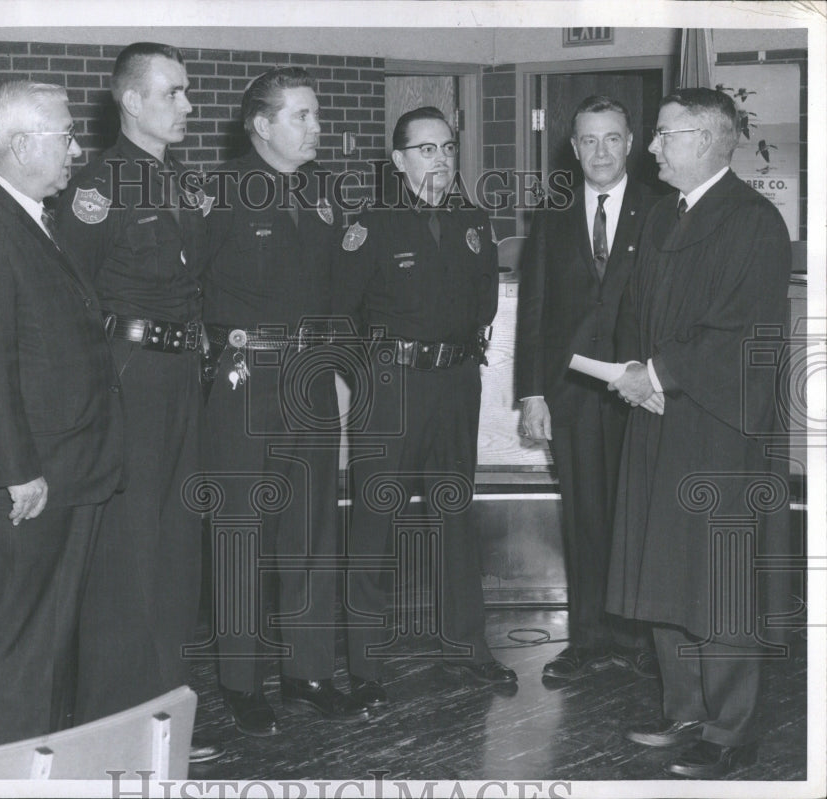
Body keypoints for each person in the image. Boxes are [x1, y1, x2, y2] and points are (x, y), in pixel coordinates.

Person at [0, 81, 123, 748]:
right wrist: (17, 472)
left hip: (64, 469)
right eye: (66, 135)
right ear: (20, 145)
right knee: (20, 651)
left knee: (48, 648)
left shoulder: (28, 215)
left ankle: (43, 770)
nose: (77, 147)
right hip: (27, 484)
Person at [607, 87, 792, 778]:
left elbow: (742, 333)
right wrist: (635, 371)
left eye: (663, 134)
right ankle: (681, 707)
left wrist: (656, 373)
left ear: (711, 140)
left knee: (717, 578)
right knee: (663, 568)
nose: (650, 147)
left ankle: (730, 729)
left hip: (716, 424)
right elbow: (635, 310)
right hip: (659, 414)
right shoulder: (662, 215)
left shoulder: (753, 222)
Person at [54, 42, 222, 764]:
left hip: (183, 373)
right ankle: (111, 723)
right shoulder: (99, 187)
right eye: (174, 92)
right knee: (126, 554)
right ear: (130, 100)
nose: (188, 105)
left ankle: (163, 710)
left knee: (176, 548)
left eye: (187, 92)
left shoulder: (181, 180)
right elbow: (70, 301)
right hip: (129, 374)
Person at [200, 66, 368, 736]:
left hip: (311, 374)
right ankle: (241, 680)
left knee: (311, 529)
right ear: (261, 124)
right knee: (241, 530)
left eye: (317, 115)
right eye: (302, 115)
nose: (316, 128)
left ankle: (307, 670)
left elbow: (343, 287)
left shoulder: (326, 193)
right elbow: (189, 290)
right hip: (247, 376)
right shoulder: (218, 192)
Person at [334, 106, 514, 704]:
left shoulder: (474, 219)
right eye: (425, 148)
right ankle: (365, 662)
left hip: (456, 381)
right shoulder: (370, 225)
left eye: (445, 148)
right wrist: (372, 380)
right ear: (399, 159)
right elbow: (341, 315)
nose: (438, 159)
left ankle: (468, 648)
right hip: (393, 383)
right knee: (374, 519)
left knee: (453, 515)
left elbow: (484, 301)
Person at [515, 95, 658, 682]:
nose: (600, 152)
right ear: (573, 149)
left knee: (639, 519)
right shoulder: (550, 216)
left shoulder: (662, 208)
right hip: (572, 394)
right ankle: (590, 640)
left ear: (630, 142)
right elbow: (535, 310)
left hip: (642, 394)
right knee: (585, 518)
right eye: (588, 141)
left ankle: (638, 638)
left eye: (612, 139)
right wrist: (532, 394)